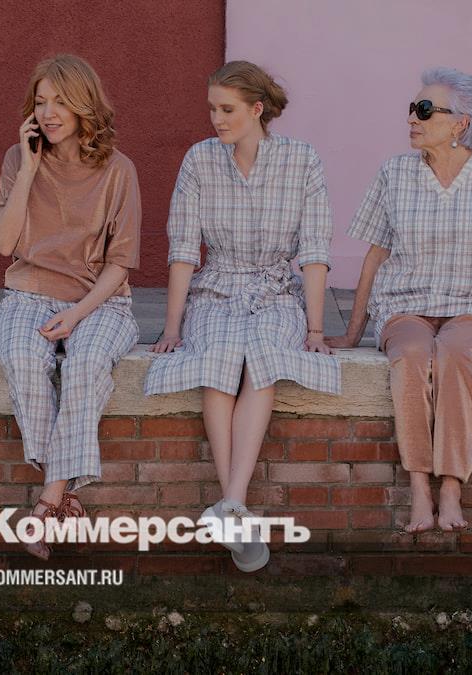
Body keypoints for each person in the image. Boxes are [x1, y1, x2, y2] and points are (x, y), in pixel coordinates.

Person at [326, 67, 472, 534]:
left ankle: (451, 486)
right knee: (413, 355)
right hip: (405, 305)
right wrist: (352, 334)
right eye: (411, 109)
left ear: (461, 122)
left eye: (424, 110)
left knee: (457, 355)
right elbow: (374, 257)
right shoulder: (394, 173)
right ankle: (420, 487)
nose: (411, 119)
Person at [145, 61, 339, 572]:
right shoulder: (199, 160)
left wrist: (315, 329)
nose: (216, 119)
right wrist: (172, 327)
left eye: (227, 109)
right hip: (216, 287)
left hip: (276, 290)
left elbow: (314, 250)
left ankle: (230, 501)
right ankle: (233, 509)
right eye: (212, 108)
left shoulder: (302, 160)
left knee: (265, 358)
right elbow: (183, 249)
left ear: (257, 109)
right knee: (218, 356)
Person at [0, 54, 141, 559]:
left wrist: (76, 315)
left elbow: (120, 264)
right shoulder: (18, 160)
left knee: (85, 364)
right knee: (22, 356)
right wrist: (29, 170)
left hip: (101, 301)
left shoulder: (118, 170)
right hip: (29, 292)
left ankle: (47, 502)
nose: (49, 113)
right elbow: (3, 243)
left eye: (61, 101)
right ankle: (67, 499)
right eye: (40, 102)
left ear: (84, 106)